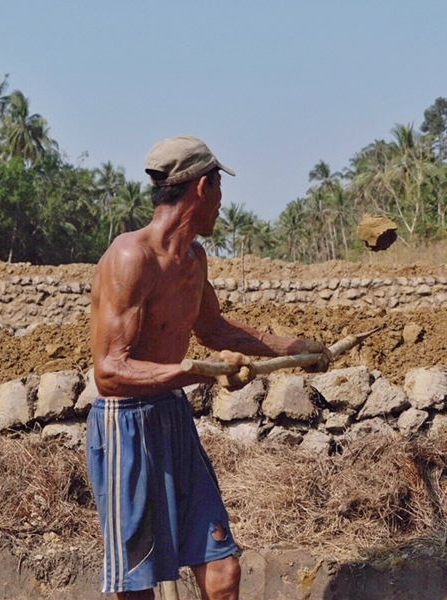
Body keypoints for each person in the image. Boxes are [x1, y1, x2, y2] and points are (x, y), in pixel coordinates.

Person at [87, 135, 331, 600]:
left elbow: (214, 330)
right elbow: (110, 373)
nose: (221, 205)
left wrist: (296, 346)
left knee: (223, 572)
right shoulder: (129, 258)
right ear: (203, 188)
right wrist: (202, 372)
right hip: (126, 429)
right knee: (135, 587)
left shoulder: (194, 259)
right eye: (219, 190)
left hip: (172, 417)